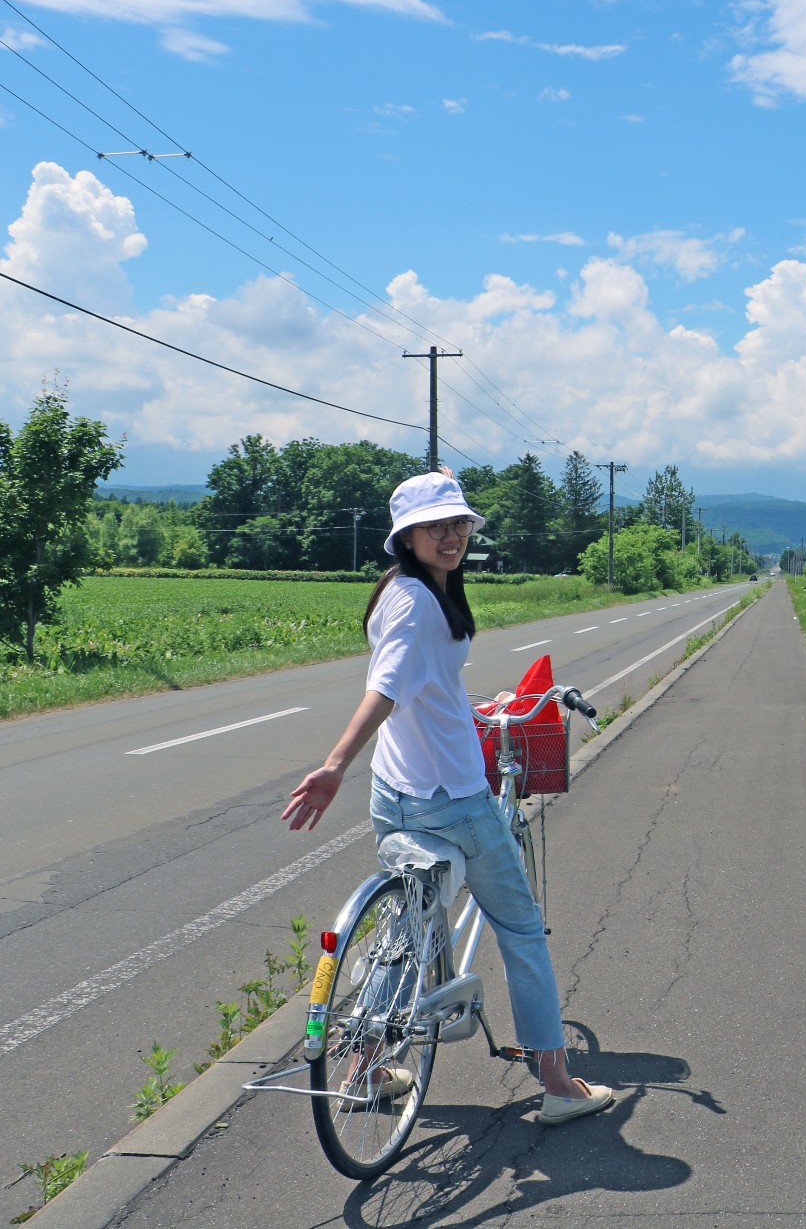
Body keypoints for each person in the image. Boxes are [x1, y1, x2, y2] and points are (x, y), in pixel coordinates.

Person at [282, 468, 612, 1126]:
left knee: (407, 930)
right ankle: (555, 1079)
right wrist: (332, 764)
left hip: (396, 793)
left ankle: (366, 1068)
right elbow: (388, 687)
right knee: (521, 929)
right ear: (407, 536)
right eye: (436, 525)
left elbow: (423, 686)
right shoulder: (417, 604)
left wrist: (467, 708)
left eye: (458, 522)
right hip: (453, 801)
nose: (452, 534)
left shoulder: (405, 591)